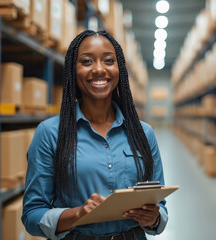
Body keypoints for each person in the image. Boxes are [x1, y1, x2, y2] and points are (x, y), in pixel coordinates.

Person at [22, 30, 168, 240]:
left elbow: (161, 209)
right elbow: (32, 215)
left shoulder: (143, 133)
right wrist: (77, 214)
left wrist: (152, 219)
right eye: (87, 61)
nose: (99, 69)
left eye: (109, 60)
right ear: (74, 70)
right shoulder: (50, 133)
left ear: (119, 69)